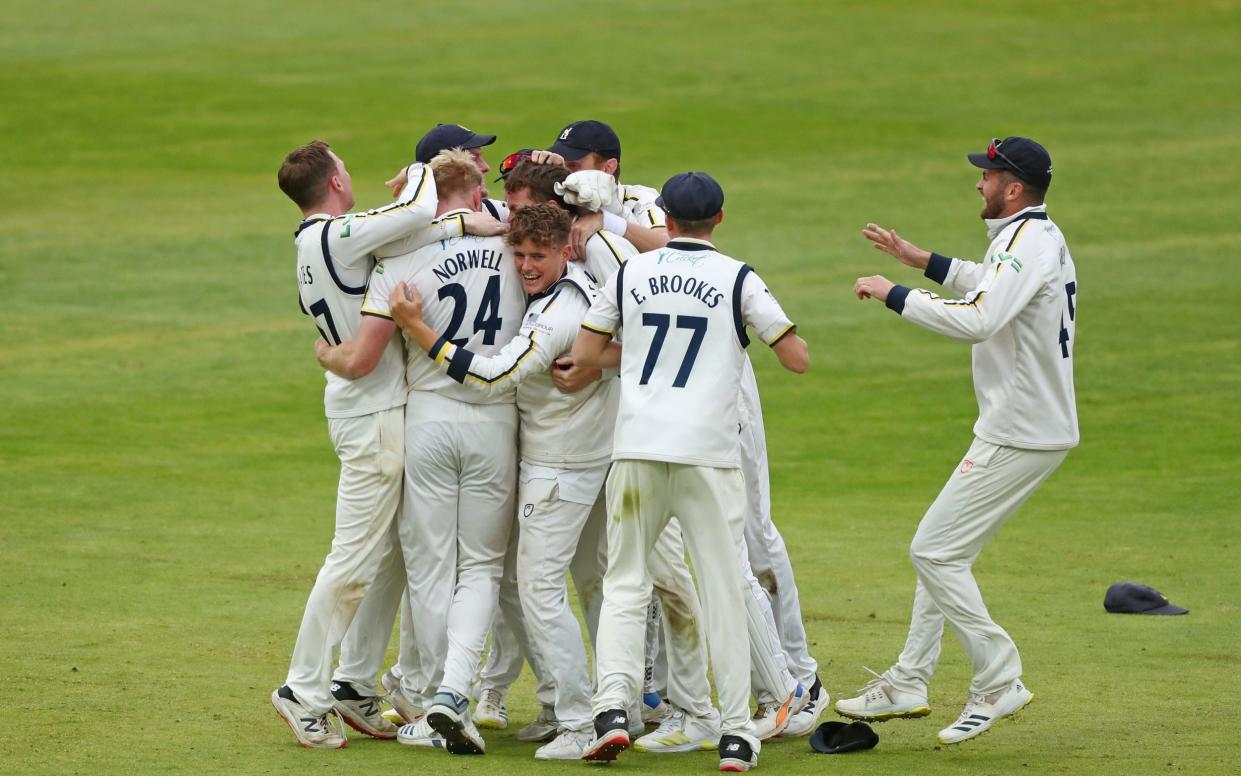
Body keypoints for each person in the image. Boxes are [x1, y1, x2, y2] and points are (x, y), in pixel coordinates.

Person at [841, 136, 1078, 745]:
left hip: (1023, 428)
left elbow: (981, 318)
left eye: (989, 175)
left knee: (934, 551)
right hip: (1019, 423)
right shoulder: (1031, 237)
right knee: (947, 551)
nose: (979, 183)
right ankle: (910, 680)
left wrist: (895, 294)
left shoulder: (1027, 243)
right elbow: (992, 283)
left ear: (1014, 187)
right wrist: (922, 261)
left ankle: (999, 678)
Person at [573, 172, 809, 772]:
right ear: (719, 220)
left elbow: (591, 352)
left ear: (666, 221)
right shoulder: (738, 277)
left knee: (625, 583)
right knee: (724, 590)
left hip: (636, 450)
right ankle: (735, 734)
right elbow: (796, 357)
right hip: (707, 456)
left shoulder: (630, 274)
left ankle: (609, 714)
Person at [269, 140, 492, 749]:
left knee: (389, 552)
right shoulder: (338, 234)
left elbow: (425, 229)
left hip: (369, 408)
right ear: (336, 182)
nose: (351, 171)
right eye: (345, 164)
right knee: (352, 561)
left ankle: (351, 686)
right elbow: (419, 211)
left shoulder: (323, 241)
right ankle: (302, 689)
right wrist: (425, 167)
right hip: (371, 415)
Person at [388, 204, 617, 760]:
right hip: (557, 456)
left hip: (560, 464)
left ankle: (581, 719)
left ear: (566, 250)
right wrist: (610, 358)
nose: (525, 266)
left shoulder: (559, 311)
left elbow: (495, 377)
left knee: (538, 588)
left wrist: (418, 328)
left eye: (537, 255)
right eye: (518, 254)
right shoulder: (573, 287)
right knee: (540, 583)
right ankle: (584, 706)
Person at [319, 149, 526, 755]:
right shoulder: (517, 247)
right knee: (482, 567)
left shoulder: (398, 254)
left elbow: (364, 352)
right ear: (474, 185)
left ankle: (431, 691)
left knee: (429, 568)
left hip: (428, 423)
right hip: (498, 422)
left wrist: (327, 356)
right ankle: (455, 694)